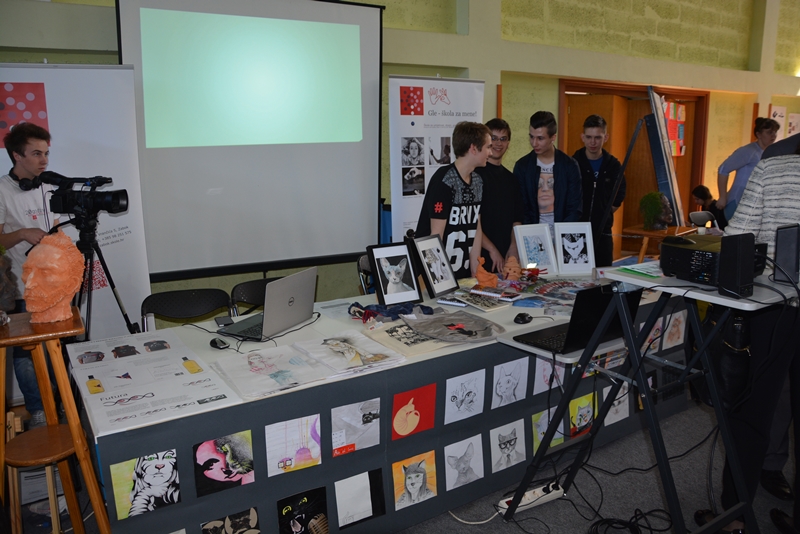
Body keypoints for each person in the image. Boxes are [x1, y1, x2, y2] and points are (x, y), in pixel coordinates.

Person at [694, 150, 800, 534]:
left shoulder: (773, 168)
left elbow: (739, 237)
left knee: (754, 410)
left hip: (776, 308)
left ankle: (735, 517)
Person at [0, 122, 59, 429]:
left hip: (53, 286)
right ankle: (39, 411)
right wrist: (23, 233)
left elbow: (58, 228)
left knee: (56, 349)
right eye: (36, 153)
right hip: (19, 289)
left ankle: (61, 406)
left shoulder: (49, 186)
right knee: (26, 356)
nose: (44, 160)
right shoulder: (1, 190)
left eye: (46, 153)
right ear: (17, 155)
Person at [415, 121, 491, 279]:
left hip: (461, 271)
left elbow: (476, 227)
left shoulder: (478, 181)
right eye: (488, 147)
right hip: (436, 272)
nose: (490, 152)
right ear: (473, 148)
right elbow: (435, 235)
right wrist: (439, 277)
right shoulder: (444, 180)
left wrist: (475, 269)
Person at [513, 111, 582, 239]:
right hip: (532, 236)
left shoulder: (569, 165)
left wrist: (563, 237)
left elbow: (574, 207)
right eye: (531, 137)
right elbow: (521, 207)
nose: (534, 143)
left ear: (553, 138)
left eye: (540, 138)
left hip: (563, 236)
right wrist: (530, 236)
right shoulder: (522, 166)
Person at [572, 115, 625, 267]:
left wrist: (605, 211)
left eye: (597, 137)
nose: (593, 142)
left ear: (605, 137)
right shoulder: (573, 163)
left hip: (603, 232)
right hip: (576, 230)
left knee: (603, 273)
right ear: (583, 137)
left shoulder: (613, 165)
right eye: (589, 137)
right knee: (577, 273)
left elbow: (620, 191)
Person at [473, 118, 523, 273]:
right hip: (480, 256)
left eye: (503, 139)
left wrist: (514, 247)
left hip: (506, 258)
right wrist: (492, 250)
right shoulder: (474, 176)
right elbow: (472, 222)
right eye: (493, 138)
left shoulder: (512, 179)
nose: (498, 143)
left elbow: (517, 219)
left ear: (508, 143)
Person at [716, 117, 779, 221]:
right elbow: (723, 169)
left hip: (752, 204)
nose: (773, 136)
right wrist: (722, 197)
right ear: (759, 134)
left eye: (775, 132)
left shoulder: (767, 152)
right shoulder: (749, 151)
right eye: (769, 132)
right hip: (738, 202)